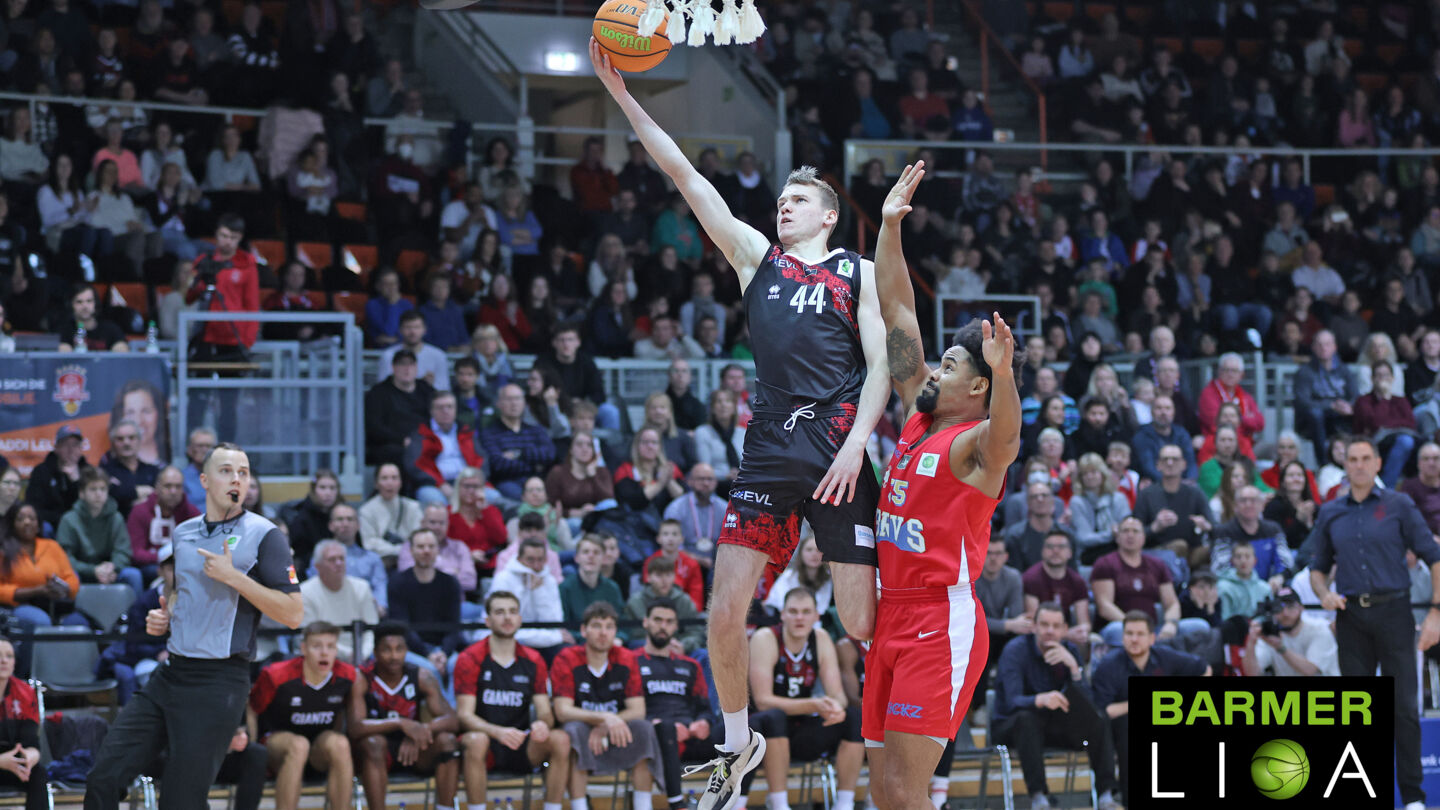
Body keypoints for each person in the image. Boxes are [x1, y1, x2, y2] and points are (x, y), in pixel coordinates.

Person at [594, 44, 889, 810]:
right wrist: (622, 96)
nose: (783, 205)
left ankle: (921, 678)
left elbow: (885, 363)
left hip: (840, 459)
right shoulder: (754, 257)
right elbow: (686, 177)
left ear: (828, 215)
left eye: (800, 200)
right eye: (781, 199)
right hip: (767, 461)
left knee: (860, 621)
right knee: (722, 613)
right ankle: (736, 745)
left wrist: (859, 442)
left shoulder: (856, 270)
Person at [858, 161, 1025, 810]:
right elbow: (899, 312)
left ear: (976, 387)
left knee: (906, 790)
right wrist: (891, 229)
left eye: (951, 364)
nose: (935, 367)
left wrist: (1005, 375)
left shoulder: (974, 448)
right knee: (885, 791)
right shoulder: (920, 412)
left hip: (937, 618)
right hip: (890, 613)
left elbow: (1008, 439)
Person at [84, 441, 305, 810]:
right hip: (172, 674)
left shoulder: (265, 535)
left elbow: (294, 613)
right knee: (102, 778)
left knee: (180, 802)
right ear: (204, 480)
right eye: (226, 471)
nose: (237, 479)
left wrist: (236, 578)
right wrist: (166, 616)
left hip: (219, 683)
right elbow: (179, 594)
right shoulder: (184, 532)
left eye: (244, 472)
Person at [1308, 437, 1440, 810]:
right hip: (1350, 617)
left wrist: (1436, 612)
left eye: (1366, 458)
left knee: (1403, 708)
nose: (1360, 465)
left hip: (1395, 612)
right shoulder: (1330, 511)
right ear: (1345, 465)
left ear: (1379, 463)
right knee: (1358, 710)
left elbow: (1434, 556)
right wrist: (1323, 594)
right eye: (1353, 459)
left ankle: (1413, 797)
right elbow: (1317, 569)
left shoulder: (1399, 505)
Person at [992, 602, 1120, 810]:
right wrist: (1039, 699)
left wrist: (1074, 669)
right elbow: (1010, 701)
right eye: (1044, 624)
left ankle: (1106, 795)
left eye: (1055, 625)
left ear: (1064, 629)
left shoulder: (1070, 651)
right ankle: (1039, 797)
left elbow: (1088, 703)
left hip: (1055, 727)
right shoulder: (1015, 651)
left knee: (1099, 718)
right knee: (1027, 719)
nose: (1050, 630)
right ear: (1034, 626)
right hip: (1012, 727)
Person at [454, 591, 573, 810]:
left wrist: (542, 724)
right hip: (485, 742)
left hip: (519, 741)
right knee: (477, 740)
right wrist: (497, 732)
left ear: (520, 619)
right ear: (487, 621)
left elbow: (545, 711)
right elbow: (464, 715)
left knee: (560, 739)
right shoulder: (469, 658)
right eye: (500, 612)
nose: (507, 618)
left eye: (512, 612)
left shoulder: (534, 659)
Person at [748, 587, 864, 810]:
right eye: (792, 611)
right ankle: (779, 803)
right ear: (782, 614)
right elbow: (763, 701)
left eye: (805, 612)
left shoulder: (820, 638)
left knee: (852, 717)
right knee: (774, 717)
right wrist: (813, 704)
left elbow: (837, 695)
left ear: (816, 616)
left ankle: (845, 804)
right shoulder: (765, 637)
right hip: (762, 731)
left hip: (800, 728)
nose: (799, 618)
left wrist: (835, 708)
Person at [1091, 611, 1210, 806]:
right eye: (1129, 634)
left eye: (1140, 634)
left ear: (1152, 638)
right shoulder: (1108, 665)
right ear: (1122, 637)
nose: (1134, 639)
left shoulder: (1165, 656)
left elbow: (1205, 670)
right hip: (1117, 729)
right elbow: (1103, 712)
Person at [551, 601, 659, 810]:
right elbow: (562, 711)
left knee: (644, 728)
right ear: (584, 630)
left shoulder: (626, 658)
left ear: (615, 632)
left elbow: (638, 710)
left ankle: (643, 806)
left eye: (609, 627)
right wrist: (605, 718)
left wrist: (609, 723)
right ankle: (580, 806)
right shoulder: (567, 658)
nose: (603, 633)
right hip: (583, 728)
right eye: (597, 626)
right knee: (573, 731)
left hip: (616, 729)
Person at [248, 622, 364, 810]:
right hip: (277, 747)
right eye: (317, 646)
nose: (324, 653)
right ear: (303, 649)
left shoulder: (347, 676)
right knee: (298, 745)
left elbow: (344, 714)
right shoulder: (276, 675)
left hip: (317, 751)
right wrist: (251, 752)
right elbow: (252, 708)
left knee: (340, 743)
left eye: (330, 646)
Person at [354, 625, 460, 810]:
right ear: (375, 652)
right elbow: (355, 727)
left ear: (407, 651)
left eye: (399, 649)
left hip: (414, 752)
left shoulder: (421, 676)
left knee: (447, 741)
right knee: (374, 742)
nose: (394, 656)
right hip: (376, 754)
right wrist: (400, 723)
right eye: (387, 649)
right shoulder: (362, 678)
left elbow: (452, 720)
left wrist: (422, 730)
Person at [183, 214, 259, 441]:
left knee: (228, 403)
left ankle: (228, 451)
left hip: (233, 341)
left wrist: (246, 342)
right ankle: (192, 448)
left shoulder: (247, 264)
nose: (227, 241)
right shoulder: (203, 261)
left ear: (240, 239)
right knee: (198, 398)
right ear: (216, 234)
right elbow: (188, 297)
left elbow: (252, 307)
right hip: (205, 337)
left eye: (233, 238)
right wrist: (200, 281)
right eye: (224, 235)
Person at [637, 600, 717, 810]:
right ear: (645, 622)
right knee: (664, 729)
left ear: (676, 626)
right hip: (654, 736)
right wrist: (655, 723)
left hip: (690, 734)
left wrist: (704, 722)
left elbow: (705, 707)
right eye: (657, 620)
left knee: (738, 730)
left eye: (669, 621)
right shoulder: (631, 660)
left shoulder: (689, 665)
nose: (663, 626)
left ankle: (736, 802)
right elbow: (626, 706)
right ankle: (677, 804)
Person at [387, 529, 465, 691]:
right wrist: (428, 655)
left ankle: (453, 712)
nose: (426, 551)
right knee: (430, 670)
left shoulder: (450, 583)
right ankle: (447, 713)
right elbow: (403, 628)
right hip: (412, 648)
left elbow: (454, 626)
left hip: (444, 648)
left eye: (431, 546)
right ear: (411, 550)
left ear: (438, 550)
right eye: (421, 546)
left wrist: (444, 653)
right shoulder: (397, 582)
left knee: (459, 665)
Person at [1090, 517, 1186, 647]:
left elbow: (1172, 603)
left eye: (1135, 531)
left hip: (1151, 629)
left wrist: (1171, 624)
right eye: (1125, 531)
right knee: (1118, 630)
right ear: (1117, 537)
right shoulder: (1105, 564)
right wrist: (1134, 627)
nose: (1130, 535)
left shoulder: (1157, 565)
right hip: (1119, 626)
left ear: (1144, 538)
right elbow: (1104, 606)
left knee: (1197, 626)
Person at [56, 467, 144, 596]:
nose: (98, 494)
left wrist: (113, 567)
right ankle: (72, 614)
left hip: (110, 571)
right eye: (93, 489)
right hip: (82, 572)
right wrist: (93, 570)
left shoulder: (116, 518)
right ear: (81, 493)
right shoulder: (69, 519)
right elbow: (64, 557)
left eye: (103, 489)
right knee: (70, 577)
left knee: (133, 575)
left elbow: (123, 551)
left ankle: (137, 614)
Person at [486, 536, 570, 658]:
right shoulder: (503, 579)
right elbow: (506, 627)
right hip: (514, 639)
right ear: (519, 559)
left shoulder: (550, 581)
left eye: (540, 560)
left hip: (543, 640)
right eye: (530, 560)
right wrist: (525, 591)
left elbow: (553, 624)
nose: (536, 565)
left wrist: (538, 591)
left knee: (566, 652)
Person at [300, 539, 380, 664]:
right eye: (332, 560)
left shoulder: (362, 587)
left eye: (342, 559)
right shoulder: (305, 592)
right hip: (321, 657)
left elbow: (371, 628)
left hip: (363, 656)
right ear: (318, 566)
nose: (338, 563)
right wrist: (349, 654)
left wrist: (362, 654)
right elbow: (310, 636)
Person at [1132, 445, 1213, 564]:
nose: (1170, 463)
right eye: (1165, 459)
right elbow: (1133, 533)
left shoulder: (1196, 493)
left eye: (1175, 459)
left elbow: (1214, 526)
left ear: (1184, 464)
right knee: (1179, 546)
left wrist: (1206, 526)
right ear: (1158, 465)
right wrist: (1155, 527)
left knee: (1213, 550)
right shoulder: (1146, 495)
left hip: (1192, 553)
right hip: (1156, 552)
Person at [304, 502, 387, 615]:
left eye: (350, 519)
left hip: (363, 612)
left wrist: (380, 606)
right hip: (327, 610)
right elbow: (313, 587)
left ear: (358, 525)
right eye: (340, 519)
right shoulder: (319, 557)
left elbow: (380, 588)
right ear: (331, 525)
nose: (345, 523)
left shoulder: (373, 559)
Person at [405, 393, 485, 507]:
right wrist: (440, 484)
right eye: (440, 407)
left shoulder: (467, 431)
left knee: (493, 497)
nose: (445, 411)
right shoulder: (420, 434)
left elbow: (482, 459)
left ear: (456, 409)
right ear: (432, 411)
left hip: (469, 483)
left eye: (449, 406)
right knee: (436, 503)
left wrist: (474, 482)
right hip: (434, 486)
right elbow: (415, 465)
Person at [480, 384, 556, 501]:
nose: (514, 403)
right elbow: (498, 465)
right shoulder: (490, 433)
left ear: (524, 403)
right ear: (499, 403)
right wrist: (535, 464)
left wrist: (519, 454)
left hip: (536, 480)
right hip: (508, 483)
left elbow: (550, 454)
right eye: (509, 399)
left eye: (518, 398)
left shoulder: (535, 430)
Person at [1240, 586, 1339, 677]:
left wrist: (1280, 648)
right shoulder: (1270, 632)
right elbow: (1252, 673)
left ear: (1301, 608)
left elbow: (1310, 671)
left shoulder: (1319, 628)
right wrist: (1251, 643)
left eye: (1291, 606)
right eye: (1279, 608)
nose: (1285, 613)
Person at [1292, 330, 1357, 462]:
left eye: (1327, 344)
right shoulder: (1304, 372)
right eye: (1319, 344)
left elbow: (1355, 395)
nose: (1324, 348)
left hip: (1339, 417)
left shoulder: (1344, 371)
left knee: (1361, 411)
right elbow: (1302, 401)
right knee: (1316, 414)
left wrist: (1349, 407)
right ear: (1313, 347)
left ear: (1335, 347)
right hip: (1311, 421)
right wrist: (1330, 406)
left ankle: (1351, 461)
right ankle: (1323, 463)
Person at [364, 350, 436, 472]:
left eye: (411, 364)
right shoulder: (378, 393)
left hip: (424, 441)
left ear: (416, 368)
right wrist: (402, 440)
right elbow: (374, 428)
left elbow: (438, 419)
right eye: (402, 364)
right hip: (391, 446)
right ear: (393, 367)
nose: (407, 369)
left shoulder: (427, 390)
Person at [1021, 530, 1092, 644]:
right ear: (1042, 551)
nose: (1055, 551)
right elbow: (1034, 623)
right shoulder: (1031, 578)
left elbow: (1084, 622)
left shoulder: (1077, 581)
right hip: (1039, 635)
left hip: (1064, 630)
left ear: (1070, 552)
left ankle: (1079, 663)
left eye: (1061, 547)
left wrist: (1082, 630)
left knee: (1089, 639)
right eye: (1050, 547)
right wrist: (1066, 635)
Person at [0, 636, 46, 810]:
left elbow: (31, 742)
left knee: (38, 772)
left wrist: (30, 757)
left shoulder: (25, 693)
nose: (4, 661)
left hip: (14, 762)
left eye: (9, 656)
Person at [397, 503, 478, 597]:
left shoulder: (459, 547)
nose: (437, 527)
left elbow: (470, 582)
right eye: (432, 522)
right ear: (422, 523)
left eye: (441, 523)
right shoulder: (410, 546)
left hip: (456, 605)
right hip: (419, 601)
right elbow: (409, 577)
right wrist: (452, 572)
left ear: (447, 524)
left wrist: (431, 571)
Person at [626, 556, 704, 653]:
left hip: (679, 648)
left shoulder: (684, 600)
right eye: (659, 575)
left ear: (674, 577)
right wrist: (662, 645)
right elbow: (632, 635)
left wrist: (683, 645)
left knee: (702, 653)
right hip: (646, 648)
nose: (664, 580)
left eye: (668, 575)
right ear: (648, 577)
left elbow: (695, 632)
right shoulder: (635, 602)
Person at [26, 424, 91, 531]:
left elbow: (91, 507)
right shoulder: (42, 471)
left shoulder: (88, 471)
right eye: (65, 445)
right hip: (52, 525)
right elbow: (34, 507)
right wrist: (63, 520)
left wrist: (76, 482)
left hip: (82, 525)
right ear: (56, 448)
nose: (71, 450)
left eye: (75, 445)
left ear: (81, 449)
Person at [663, 463, 726, 569]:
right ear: (690, 481)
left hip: (717, 565)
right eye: (701, 479)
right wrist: (698, 560)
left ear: (716, 482)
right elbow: (670, 546)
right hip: (684, 564)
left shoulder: (725, 509)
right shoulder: (676, 509)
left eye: (710, 479)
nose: (706, 483)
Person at [357, 462, 421, 560]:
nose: (389, 483)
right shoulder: (366, 510)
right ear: (376, 484)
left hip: (410, 558)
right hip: (380, 559)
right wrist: (398, 550)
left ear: (400, 483)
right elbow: (369, 543)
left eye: (394, 478)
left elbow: (418, 537)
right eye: (384, 478)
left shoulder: (413, 507)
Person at [281, 469, 341, 572]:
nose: (328, 493)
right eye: (322, 488)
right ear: (313, 490)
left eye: (332, 488)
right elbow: (298, 555)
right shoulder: (301, 518)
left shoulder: (343, 513)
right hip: (309, 568)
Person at [560, 534, 624, 629]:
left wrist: (619, 638)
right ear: (576, 558)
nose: (591, 556)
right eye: (585, 552)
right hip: (576, 642)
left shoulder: (612, 588)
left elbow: (622, 624)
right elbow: (563, 627)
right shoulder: (565, 588)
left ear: (603, 558)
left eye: (596, 552)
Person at [99, 419, 159, 519]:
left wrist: (126, 495)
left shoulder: (152, 470)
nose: (126, 443)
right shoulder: (105, 471)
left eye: (131, 438)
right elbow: (110, 497)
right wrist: (140, 492)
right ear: (113, 443)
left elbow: (161, 498)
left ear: (139, 441)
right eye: (120, 439)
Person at [379, 310, 452, 392]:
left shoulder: (438, 355)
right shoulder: (388, 355)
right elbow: (383, 389)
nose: (412, 332)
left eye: (417, 327)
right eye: (408, 327)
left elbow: (443, 390)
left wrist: (428, 386)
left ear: (425, 330)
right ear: (400, 330)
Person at [645, 519, 706, 614]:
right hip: (655, 610)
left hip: (683, 611)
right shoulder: (650, 561)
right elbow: (648, 591)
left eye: (674, 534)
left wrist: (691, 612)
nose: (670, 538)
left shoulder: (692, 564)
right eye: (666, 534)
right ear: (658, 539)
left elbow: (696, 596)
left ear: (682, 539)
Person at [1130, 396, 1196, 483]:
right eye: (1159, 408)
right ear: (1152, 412)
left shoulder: (1182, 433)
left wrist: (1189, 480)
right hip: (1155, 484)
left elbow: (1191, 462)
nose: (1163, 412)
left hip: (1182, 484)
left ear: (1174, 412)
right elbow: (1148, 467)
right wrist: (1173, 482)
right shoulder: (1141, 436)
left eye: (1168, 408)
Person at [57, 282, 128, 352]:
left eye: (89, 301)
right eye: (79, 302)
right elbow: (64, 357)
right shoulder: (67, 330)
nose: (85, 306)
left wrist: (119, 349)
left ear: (95, 303)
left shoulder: (111, 329)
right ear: (71, 305)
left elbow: (122, 355)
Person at [180, 428, 215, 508]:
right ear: (190, 449)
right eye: (200, 446)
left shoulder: (223, 476)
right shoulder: (181, 478)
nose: (204, 450)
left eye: (208, 446)